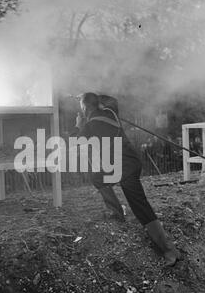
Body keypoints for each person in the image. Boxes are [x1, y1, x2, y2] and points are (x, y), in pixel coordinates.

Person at [73, 92, 180, 267]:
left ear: (84, 108)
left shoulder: (89, 126)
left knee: (139, 206)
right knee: (97, 177)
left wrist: (78, 126)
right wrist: (90, 95)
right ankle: (118, 213)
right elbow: (111, 100)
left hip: (122, 169)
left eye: (81, 107)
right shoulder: (111, 112)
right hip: (130, 162)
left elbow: (76, 145)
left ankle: (168, 250)